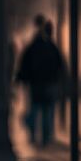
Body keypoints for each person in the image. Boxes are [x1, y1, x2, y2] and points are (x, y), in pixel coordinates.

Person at [16, 15, 64, 147]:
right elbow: (60, 65)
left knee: (35, 108)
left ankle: (33, 133)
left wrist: (21, 79)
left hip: (35, 84)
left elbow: (24, 64)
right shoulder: (51, 47)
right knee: (47, 110)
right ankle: (45, 137)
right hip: (48, 83)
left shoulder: (32, 46)